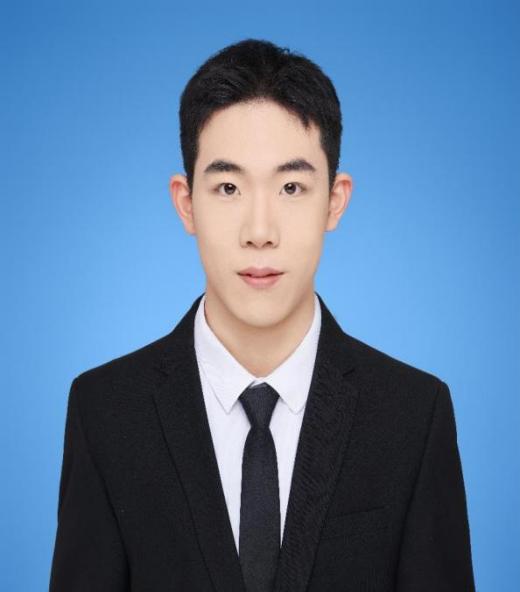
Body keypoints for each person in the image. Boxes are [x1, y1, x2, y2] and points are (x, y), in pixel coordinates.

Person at [49, 38, 476, 591]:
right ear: (186, 203)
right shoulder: (106, 412)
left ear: (335, 201)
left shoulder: (412, 416)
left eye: (291, 187)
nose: (259, 231)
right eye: (228, 187)